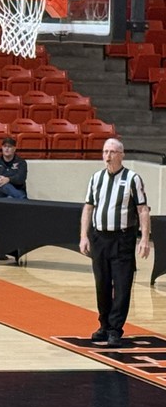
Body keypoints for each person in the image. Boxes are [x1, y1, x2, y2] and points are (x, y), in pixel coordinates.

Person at [79, 138, 150, 348]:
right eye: (105, 152)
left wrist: (144, 238)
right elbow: (88, 207)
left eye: (112, 152)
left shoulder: (132, 179)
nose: (107, 156)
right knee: (102, 283)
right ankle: (103, 325)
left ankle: (115, 329)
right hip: (100, 238)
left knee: (121, 285)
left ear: (121, 155)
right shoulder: (96, 178)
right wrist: (84, 236)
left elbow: (143, 210)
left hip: (122, 239)